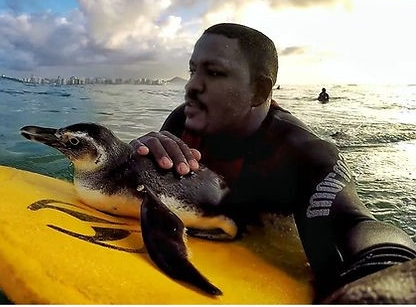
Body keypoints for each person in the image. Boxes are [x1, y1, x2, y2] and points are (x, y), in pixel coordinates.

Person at [130, 23, 416, 303]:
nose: (192, 86)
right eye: (193, 71)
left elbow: (356, 223)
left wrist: (392, 271)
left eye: (214, 73)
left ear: (259, 90)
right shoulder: (183, 120)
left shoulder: (304, 154)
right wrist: (137, 157)